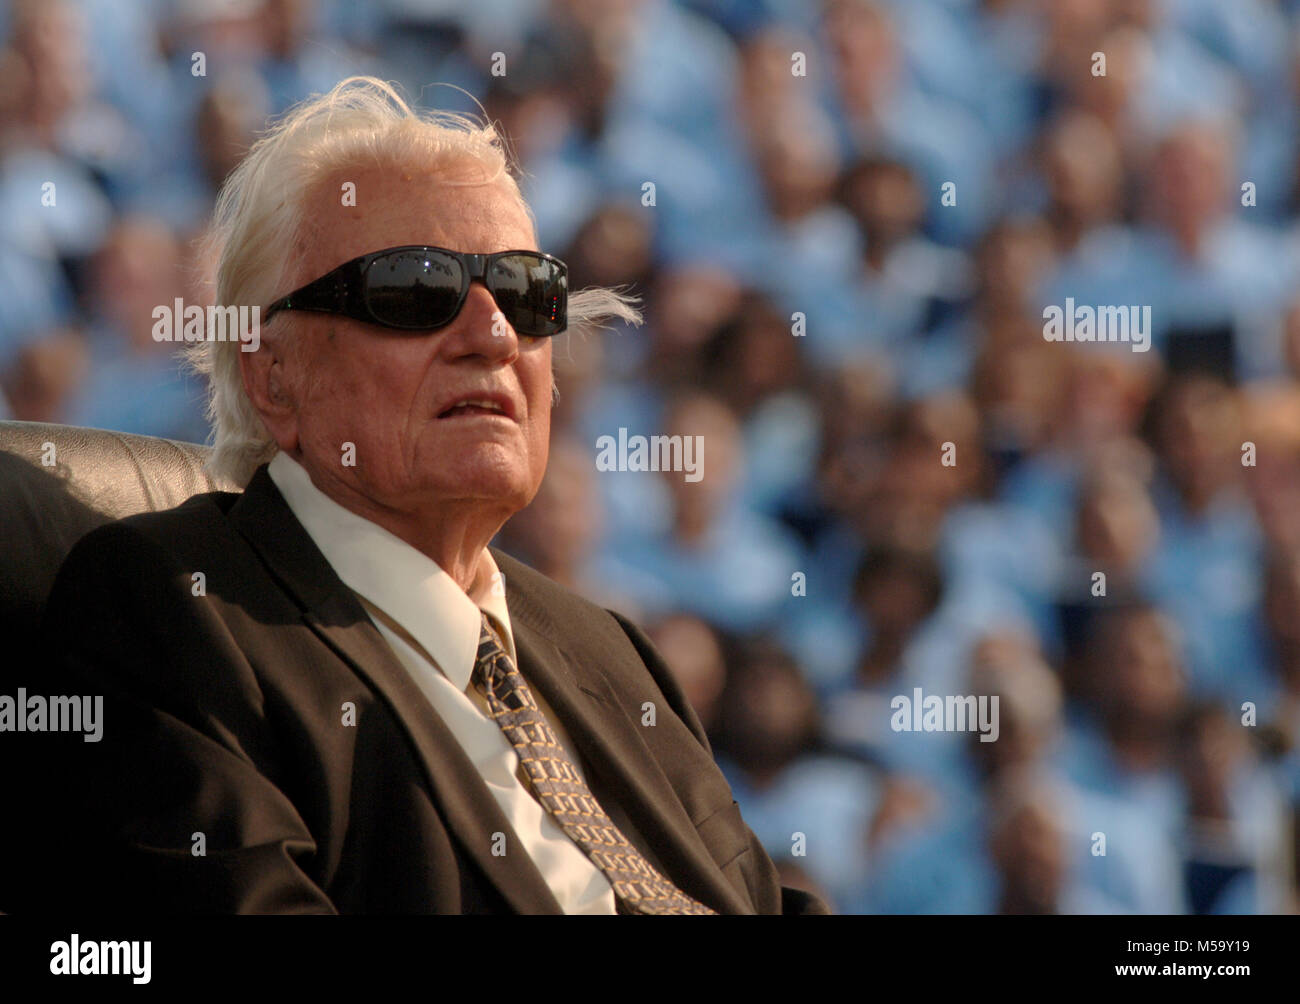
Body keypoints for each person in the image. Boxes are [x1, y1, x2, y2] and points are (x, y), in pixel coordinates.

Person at [21, 76, 827, 916]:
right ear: (275, 376)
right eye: (414, 290)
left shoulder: (611, 652)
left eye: (525, 292)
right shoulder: (173, 612)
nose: (492, 335)